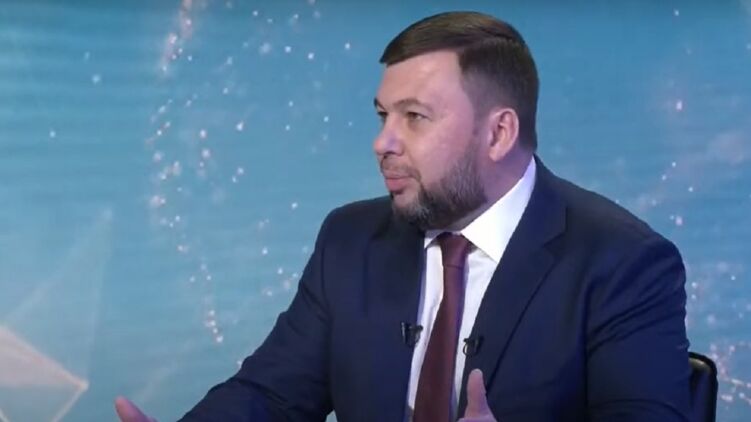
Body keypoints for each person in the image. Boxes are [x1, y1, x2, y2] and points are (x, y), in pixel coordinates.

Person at [115, 11, 691, 422]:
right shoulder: (351, 240)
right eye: (382, 116)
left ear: (498, 133)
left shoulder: (622, 262)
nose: (382, 143)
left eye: (414, 117)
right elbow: (271, 396)